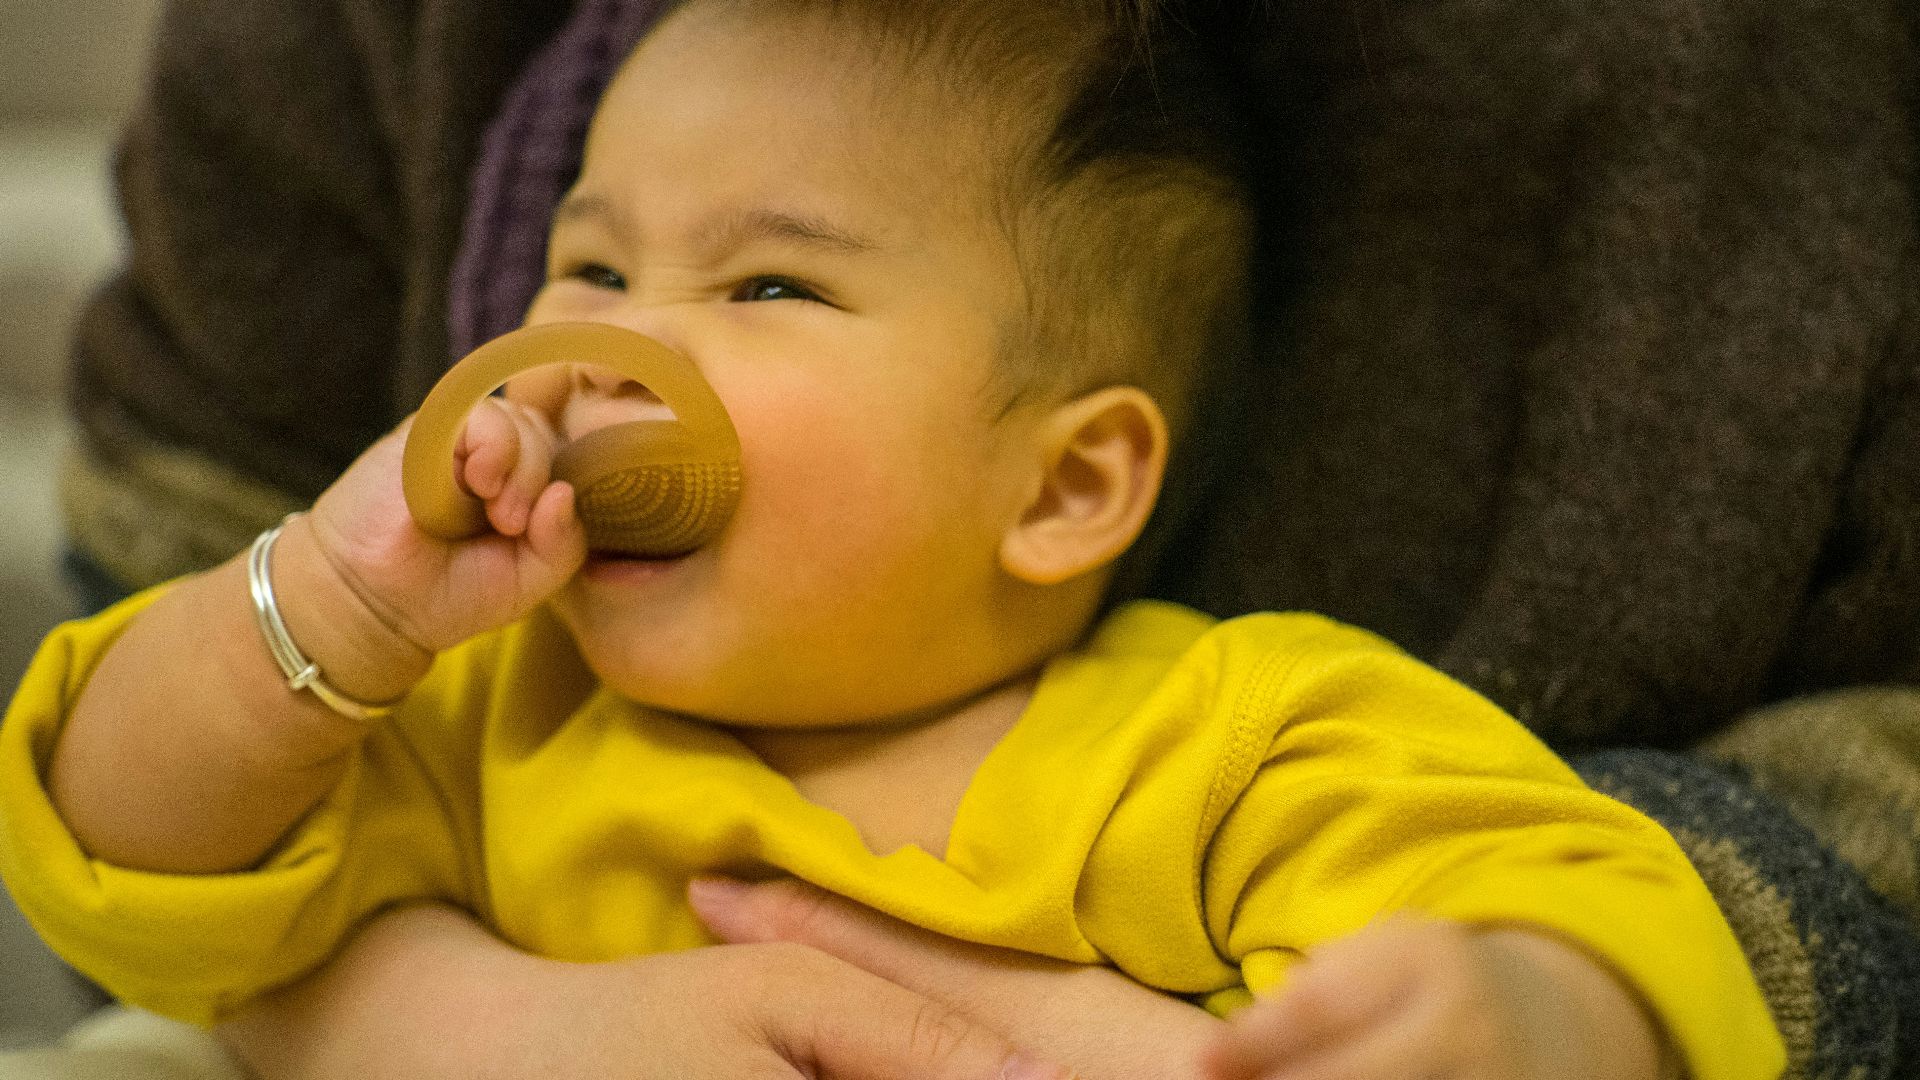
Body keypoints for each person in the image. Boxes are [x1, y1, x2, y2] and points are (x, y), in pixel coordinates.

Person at [1, 1, 1781, 1077]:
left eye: (771, 280)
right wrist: (334, 592)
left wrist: (1539, 1018)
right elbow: (122, 845)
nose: (623, 351)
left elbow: (1597, 898)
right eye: (595, 264)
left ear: (1068, 486)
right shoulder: (490, 717)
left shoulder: (1222, 744)